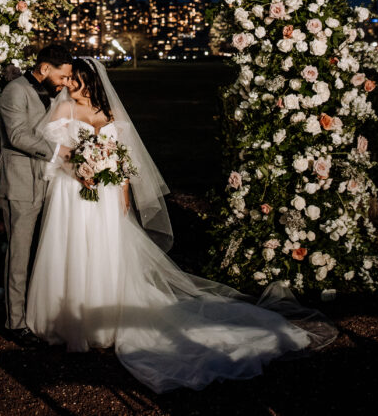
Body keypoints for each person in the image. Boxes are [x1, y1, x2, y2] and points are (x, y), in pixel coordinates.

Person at [25, 57, 337, 393]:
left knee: (104, 251)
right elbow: (52, 154)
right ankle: (74, 321)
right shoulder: (63, 110)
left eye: (77, 80)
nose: (70, 85)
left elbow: (123, 156)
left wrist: (124, 191)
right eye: (69, 80)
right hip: (74, 194)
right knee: (73, 248)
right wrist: (80, 171)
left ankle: (108, 317)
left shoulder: (111, 112)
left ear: (93, 81)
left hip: (108, 193)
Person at [0, 44, 73, 339]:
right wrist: (59, 151)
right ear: (45, 68)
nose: (64, 83)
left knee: (44, 251)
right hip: (21, 181)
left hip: (48, 181)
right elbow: (17, 135)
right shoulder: (15, 90)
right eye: (62, 76)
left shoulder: (53, 93)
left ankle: (39, 313)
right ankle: (16, 323)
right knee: (20, 255)